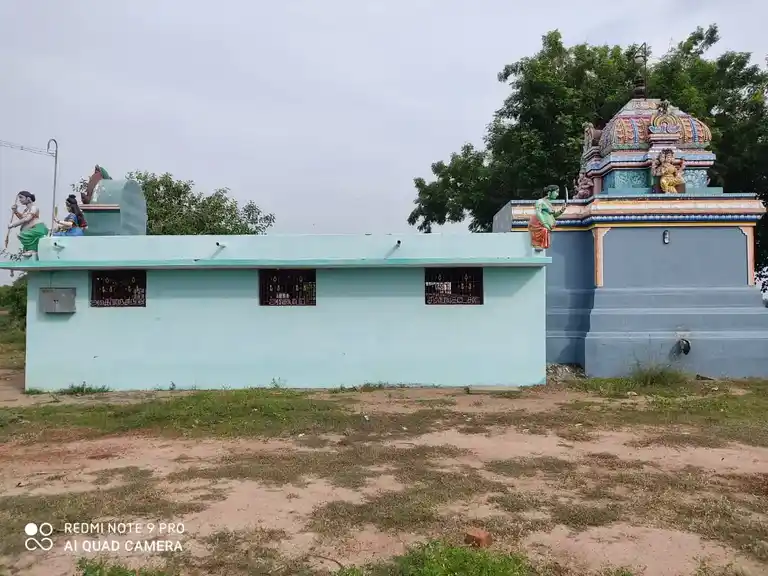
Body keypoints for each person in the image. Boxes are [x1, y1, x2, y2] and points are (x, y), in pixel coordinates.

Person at [8, 191, 49, 257]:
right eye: (19, 198)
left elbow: (27, 219)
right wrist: (15, 211)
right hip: (32, 228)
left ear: (28, 198)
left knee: (24, 235)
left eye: (21, 197)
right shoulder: (26, 210)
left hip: (37, 228)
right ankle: (31, 250)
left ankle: (32, 250)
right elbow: (22, 218)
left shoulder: (34, 208)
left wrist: (13, 224)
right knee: (24, 236)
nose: (20, 200)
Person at [528, 185, 567, 251]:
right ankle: (537, 245)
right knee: (543, 232)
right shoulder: (540, 201)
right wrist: (544, 223)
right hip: (538, 226)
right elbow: (538, 213)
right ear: (549, 192)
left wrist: (561, 211)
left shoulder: (548, 203)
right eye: (556, 192)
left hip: (545, 227)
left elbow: (552, 216)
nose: (557, 195)